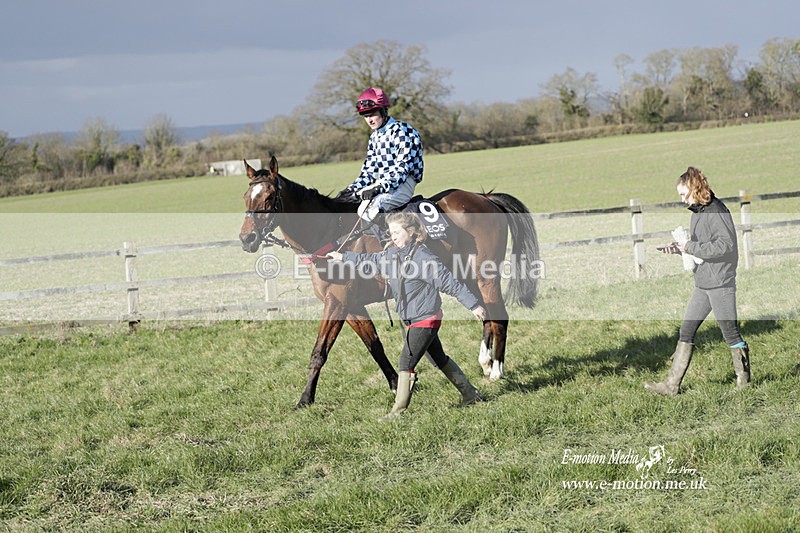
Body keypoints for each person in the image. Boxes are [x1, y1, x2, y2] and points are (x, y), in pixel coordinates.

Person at [326, 212, 486, 421]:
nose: (393, 236)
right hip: (412, 319)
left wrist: (474, 305)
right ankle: (470, 394)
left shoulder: (424, 257)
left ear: (411, 232)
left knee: (405, 362)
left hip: (426, 318)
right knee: (438, 358)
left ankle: (398, 411)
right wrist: (342, 257)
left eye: (397, 232)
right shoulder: (393, 253)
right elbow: (371, 260)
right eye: (391, 232)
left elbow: (449, 282)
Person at [645, 166, 751, 396]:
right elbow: (700, 245)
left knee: (730, 333)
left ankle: (745, 386)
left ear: (695, 188)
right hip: (703, 283)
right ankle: (671, 386)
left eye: (684, 194)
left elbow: (726, 246)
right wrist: (679, 250)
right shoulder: (699, 212)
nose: (682, 200)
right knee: (686, 330)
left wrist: (690, 246)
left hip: (721, 283)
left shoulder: (716, 211)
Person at [336, 87, 424, 235]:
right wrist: (350, 190)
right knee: (353, 203)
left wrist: (378, 188)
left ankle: (395, 246)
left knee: (372, 209)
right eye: (365, 116)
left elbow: (402, 169)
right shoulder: (374, 137)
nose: (369, 120)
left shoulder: (402, 131)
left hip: (404, 182)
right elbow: (368, 173)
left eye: (372, 114)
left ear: (383, 111)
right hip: (384, 183)